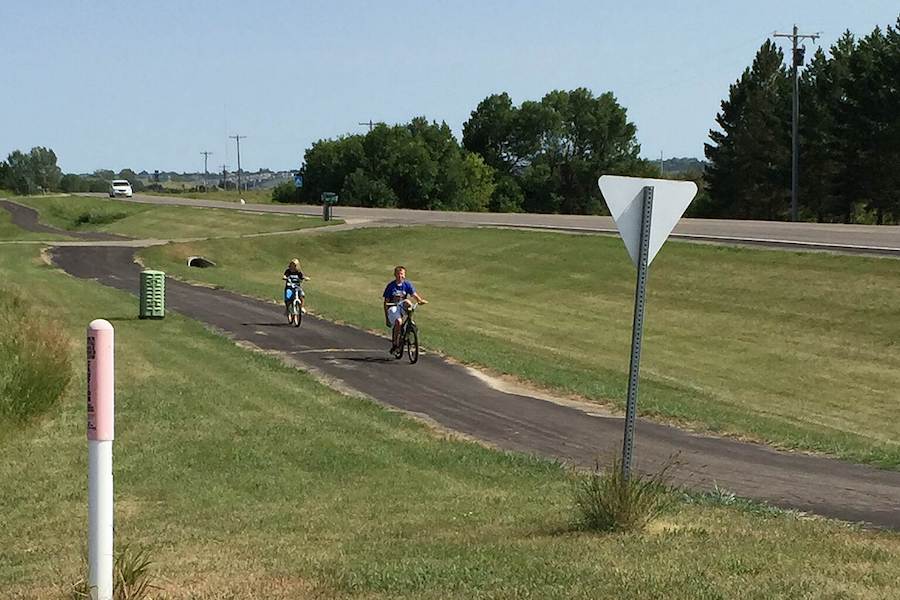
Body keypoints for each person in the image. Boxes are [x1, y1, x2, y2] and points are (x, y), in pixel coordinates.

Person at [383, 265, 427, 352]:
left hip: (401, 305)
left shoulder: (407, 284)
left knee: (408, 302)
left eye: (402, 274)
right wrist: (387, 317)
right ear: (395, 275)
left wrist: (420, 300)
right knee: (398, 322)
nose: (400, 276)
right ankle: (395, 343)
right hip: (393, 307)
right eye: (398, 274)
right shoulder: (391, 286)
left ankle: (410, 323)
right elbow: (386, 302)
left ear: (404, 275)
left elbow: (413, 294)